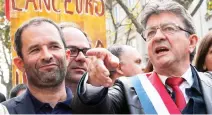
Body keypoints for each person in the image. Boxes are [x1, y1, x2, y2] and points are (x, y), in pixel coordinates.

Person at [72, 0, 212, 114]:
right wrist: (94, 84)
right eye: (151, 32)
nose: (157, 37)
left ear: (192, 42)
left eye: (169, 28)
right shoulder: (128, 89)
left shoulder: (209, 83)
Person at [2, 17, 74, 114]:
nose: (47, 56)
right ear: (20, 64)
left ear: (67, 56)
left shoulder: (93, 109)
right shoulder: (6, 112)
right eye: (35, 50)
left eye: (54, 46)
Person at [59, 22, 91, 94]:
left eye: (86, 52)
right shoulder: (34, 102)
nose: (82, 57)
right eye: (72, 51)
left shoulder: (102, 99)